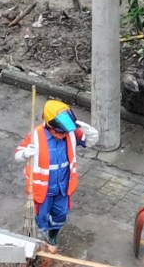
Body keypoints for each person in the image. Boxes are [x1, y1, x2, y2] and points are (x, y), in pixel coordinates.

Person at [14, 99, 98, 244]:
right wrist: (25, 153)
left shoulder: (70, 133)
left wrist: (85, 127)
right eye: (60, 132)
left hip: (62, 188)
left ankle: (53, 236)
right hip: (42, 190)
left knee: (61, 214)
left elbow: (91, 141)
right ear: (50, 127)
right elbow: (18, 155)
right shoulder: (35, 136)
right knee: (41, 217)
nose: (64, 135)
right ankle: (42, 238)